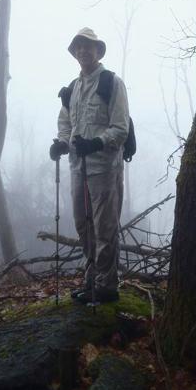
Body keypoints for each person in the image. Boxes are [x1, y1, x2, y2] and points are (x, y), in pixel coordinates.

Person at [49, 28, 130, 303]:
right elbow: (66, 122)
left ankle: (106, 286)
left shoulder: (111, 83)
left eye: (89, 46)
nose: (83, 51)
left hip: (105, 168)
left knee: (105, 227)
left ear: (98, 51)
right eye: (79, 47)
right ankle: (92, 279)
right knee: (83, 226)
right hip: (77, 167)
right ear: (75, 53)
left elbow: (120, 129)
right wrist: (62, 143)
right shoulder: (73, 87)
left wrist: (96, 143)